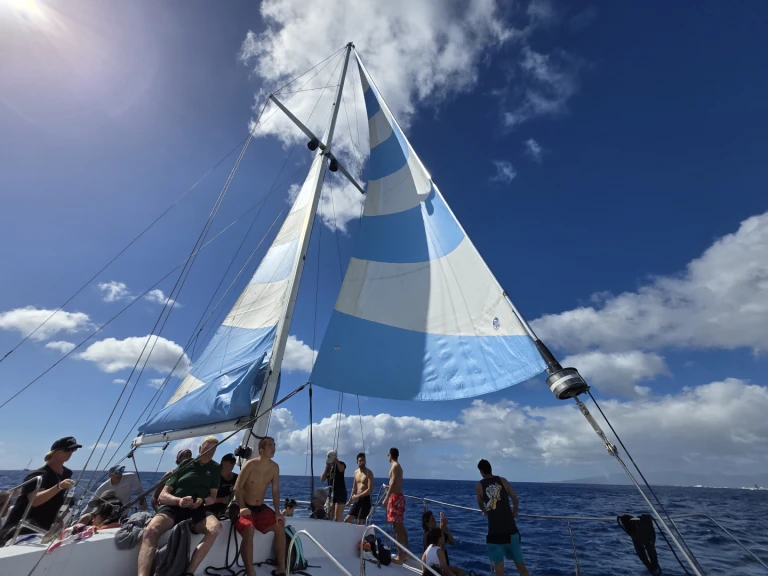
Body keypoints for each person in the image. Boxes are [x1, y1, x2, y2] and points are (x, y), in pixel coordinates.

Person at [137, 436, 223, 576]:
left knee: (215, 528)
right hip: (175, 507)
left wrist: (201, 501)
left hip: (198, 509)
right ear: (200, 448)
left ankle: (188, 573)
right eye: (206, 449)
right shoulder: (185, 465)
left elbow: (212, 498)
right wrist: (179, 501)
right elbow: (162, 496)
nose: (209, 453)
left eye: (212, 451)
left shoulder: (215, 468)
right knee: (150, 531)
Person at [0, 436, 80, 544]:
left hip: (44, 527)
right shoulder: (39, 475)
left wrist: (60, 516)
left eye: (73, 450)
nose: (70, 452)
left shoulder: (67, 473)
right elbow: (35, 501)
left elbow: (58, 499)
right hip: (20, 528)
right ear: (54, 452)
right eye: (67, 449)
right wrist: (59, 487)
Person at [233, 437, 286, 576]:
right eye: (270, 445)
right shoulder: (250, 464)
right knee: (249, 528)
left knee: (280, 525)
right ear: (261, 450)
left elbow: (275, 491)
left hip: (260, 508)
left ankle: (282, 568)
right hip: (242, 506)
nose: (273, 447)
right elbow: (237, 488)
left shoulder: (275, 467)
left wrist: (278, 512)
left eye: (274, 445)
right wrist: (242, 507)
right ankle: (251, 572)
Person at [475, 459, 529, 576]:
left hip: (495, 533)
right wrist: (514, 512)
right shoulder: (503, 480)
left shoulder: (480, 485)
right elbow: (515, 499)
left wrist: (485, 511)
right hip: (511, 530)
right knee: (520, 565)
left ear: (481, 471)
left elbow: (479, 501)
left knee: (499, 570)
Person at [382, 447, 407, 564]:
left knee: (397, 528)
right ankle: (405, 554)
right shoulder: (398, 466)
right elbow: (395, 483)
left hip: (395, 498)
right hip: (398, 497)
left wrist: (386, 498)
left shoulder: (395, 466)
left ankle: (400, 556)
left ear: (391, 455)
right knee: (399, 527)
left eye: (388, 454)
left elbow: (392, 483)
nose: (387, 455)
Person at [422, 511, 465, 576]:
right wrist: (441, 530)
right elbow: (440, 551)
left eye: (434, 518)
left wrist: (446, 528)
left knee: (461, 572)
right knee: (460, 572)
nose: (435, 521)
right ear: (427, 524)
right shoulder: (428, 535)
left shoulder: (437, 532)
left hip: (443, 565)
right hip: (437, 568)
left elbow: (452, 542)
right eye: (432, 520)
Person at [345, 452, 374, 524]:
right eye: (360, 461)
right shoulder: (355, 472)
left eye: (363, 460)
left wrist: (358, 496)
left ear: (365, 461)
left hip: (366, 500)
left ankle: (362, 535)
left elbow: (370, 490)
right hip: (357, 500)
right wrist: (349, 501)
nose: (362, 462)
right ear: (357, 462)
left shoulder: (369, 473)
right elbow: (354, 488)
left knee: (359, 522)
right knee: (347, 520)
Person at [207, 453, 238, 518]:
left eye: (234, 463)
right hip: (212, 511)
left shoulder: (236, 478)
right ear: (223, 462)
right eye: (231, 462)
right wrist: (222, 500)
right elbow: (205, 498)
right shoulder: (214, 477)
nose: (232, 465)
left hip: (230, 511)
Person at [321, 449, 347, 522]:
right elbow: (322, 479)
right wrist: (326, 468)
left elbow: (341, 469)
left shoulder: (341, 464)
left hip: (340, 492)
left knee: (337, 517)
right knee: (329, 515)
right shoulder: (328, 468)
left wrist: (337, 462)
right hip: (331, 492)